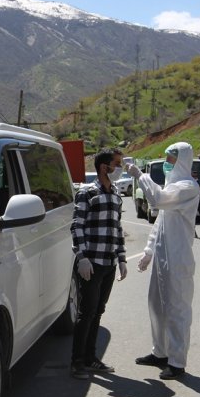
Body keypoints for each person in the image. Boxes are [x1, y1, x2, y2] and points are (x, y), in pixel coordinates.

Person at [126, 142, 200, 380]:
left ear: (181, 161)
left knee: (177, 309)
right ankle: (160, 352)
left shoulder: (188, 187)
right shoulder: (173, 186)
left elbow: (157, 200)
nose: (167, 164)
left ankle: (177, 362)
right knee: (156, 305)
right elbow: (160, 221)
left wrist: (140, 175)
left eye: (171, 160)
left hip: (178, 258)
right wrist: (148, 251)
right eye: (166, 158)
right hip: (162, 256)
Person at [70, 148, 128, 379]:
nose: (119, 168)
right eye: (117, 164)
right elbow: (77, 226)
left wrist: (121, 258)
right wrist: (81, 257)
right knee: (87, 312)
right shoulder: (87, 193)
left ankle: (91, 358)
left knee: (98, 312)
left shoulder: (115, 194)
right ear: (104, 166)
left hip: (109, 263)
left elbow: (117, 229)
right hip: (91, 263)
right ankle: (77, 362)